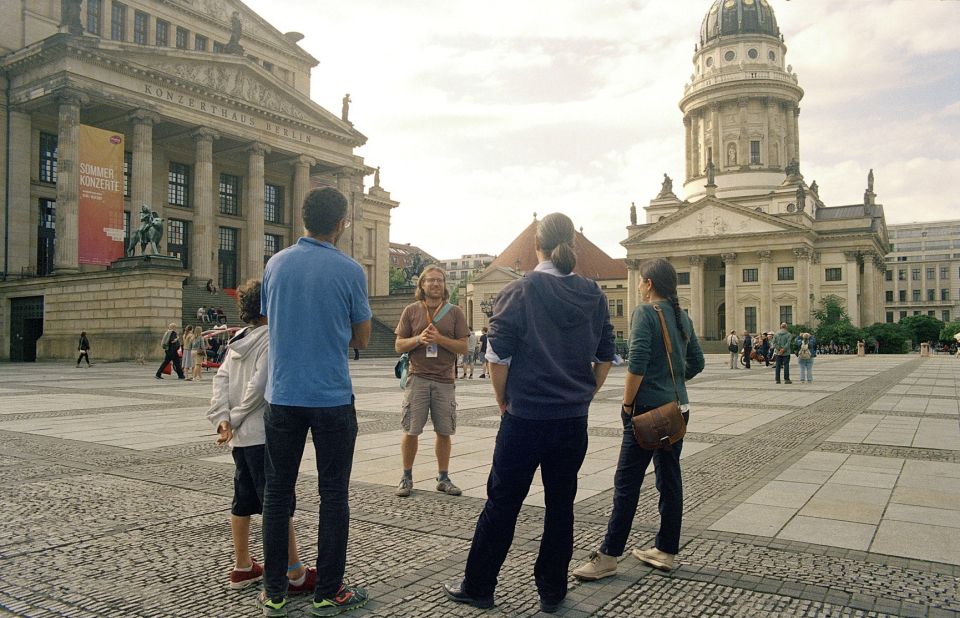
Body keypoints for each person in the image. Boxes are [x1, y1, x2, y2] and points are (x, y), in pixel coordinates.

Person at [443, 213, 615, 614]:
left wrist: (503, 399)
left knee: (503, 502)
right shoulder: (592, 293)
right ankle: (552, 591)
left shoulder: (520, 290)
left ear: (537, 245)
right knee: (561, 504)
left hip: (525, 417)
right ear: (570, 243)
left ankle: (480, 585)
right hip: (572, 420)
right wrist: (585, 392)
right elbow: (605, 356)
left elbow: (497, 356)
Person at [258, 187, 371, 616]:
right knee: (333, 495)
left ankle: (274, 592)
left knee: (277, 495)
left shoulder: (276, 264)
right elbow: (362, 337)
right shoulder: (350, 270)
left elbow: (271, 318)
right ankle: (328, 591)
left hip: (283, 395)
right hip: (331, 398)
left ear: (302, 218)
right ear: (341, 223)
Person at [573, 258, 704, 581]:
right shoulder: (682, 316)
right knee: (669, 481)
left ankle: (608, 555)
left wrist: (627, 404)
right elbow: (697, 362)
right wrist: (671, 384)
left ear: (647, 283)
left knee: (626, 484)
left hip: (647, 411)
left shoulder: (645, 313)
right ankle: (666, 550)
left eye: (641, 281)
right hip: (677, 410)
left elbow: (637, 364)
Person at [205, 280, 316, 596]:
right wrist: (236, 418)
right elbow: (259, 385)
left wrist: (223, 419)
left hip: (240, 439)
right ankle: (294, 573)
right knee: (277, 504)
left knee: (242, 500)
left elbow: (221, 380)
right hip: (264, 434)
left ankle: (243, 566)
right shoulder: (271, 340)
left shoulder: (239, 339)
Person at [394, 265, 470, 497]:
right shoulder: (411, 310)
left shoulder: (455, 312)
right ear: (422, 285)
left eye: (440, 280)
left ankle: (443, 476)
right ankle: (406, 476)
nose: (436, 284)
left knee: (444, 431)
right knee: (411, 429)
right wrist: (419, 338)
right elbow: (398, 345)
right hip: (417, 377)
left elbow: (464, 347)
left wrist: (439, 339)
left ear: (445, 285)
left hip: (445, 379)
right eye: (431, 281)